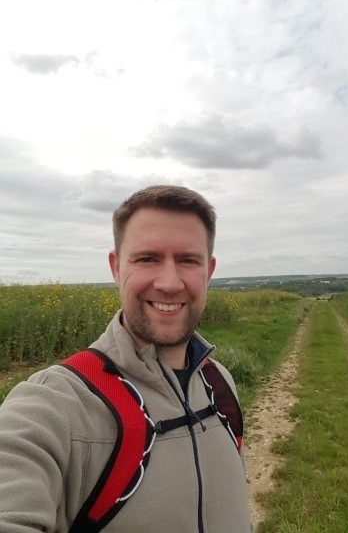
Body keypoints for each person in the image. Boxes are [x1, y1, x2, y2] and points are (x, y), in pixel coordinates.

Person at [0, 185, 252, 533]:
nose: (169, 282)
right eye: (147, 258)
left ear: (208, 271)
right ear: (116, 268)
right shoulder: (54, 406)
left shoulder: (219, 383)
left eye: (188, 260)